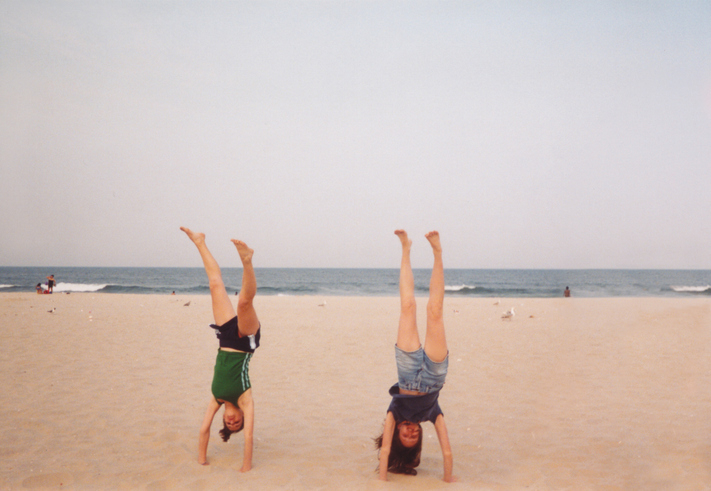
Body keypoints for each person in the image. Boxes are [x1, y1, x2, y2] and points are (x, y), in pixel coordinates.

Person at [375, 230, 455, 482]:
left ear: (398, 431)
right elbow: (447, 451)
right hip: (435, 375)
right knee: (435, 311)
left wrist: (382, 480)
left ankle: (406, 249)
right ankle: (437, 252)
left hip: (407, 372)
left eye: (405, 435)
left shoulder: (395, 412)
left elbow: (385, 450)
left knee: (407, 307)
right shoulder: (432, 413)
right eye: (415, 436)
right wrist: (448, 480)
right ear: (420, 435)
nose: (410, 431)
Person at [180, 226, 260, 472]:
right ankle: (247, 260)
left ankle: (200, 242)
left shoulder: (217, 398)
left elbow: (204, 428)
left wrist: (201, 459)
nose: (232, 421)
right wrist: (246, 466)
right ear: (242, 419)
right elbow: (248, 438)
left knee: (215, 285)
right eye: (237, 424)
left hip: (225, 340)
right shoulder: (245, 399)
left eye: (229, 425)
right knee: (244, 303)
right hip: (246, 342)